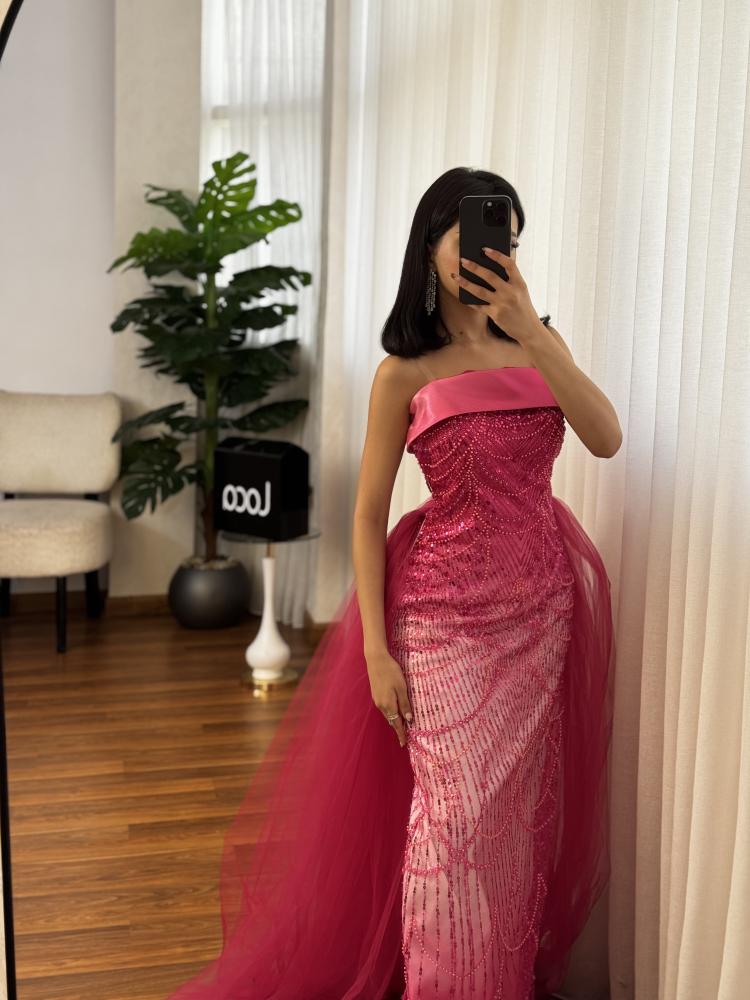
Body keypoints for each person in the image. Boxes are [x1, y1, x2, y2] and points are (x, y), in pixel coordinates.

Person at [165, 167, 618, 1000]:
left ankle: (496, 982)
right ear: (432, 245)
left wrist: (534, 331)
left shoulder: (539, 346)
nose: (494, 255)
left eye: (510, 242)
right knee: (453, 821)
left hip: (540, 609)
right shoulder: (403, 373)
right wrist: (376, 650)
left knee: (513, 820)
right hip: (442, 618)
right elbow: (368, 513)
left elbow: (607, 437)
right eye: (476, 239)